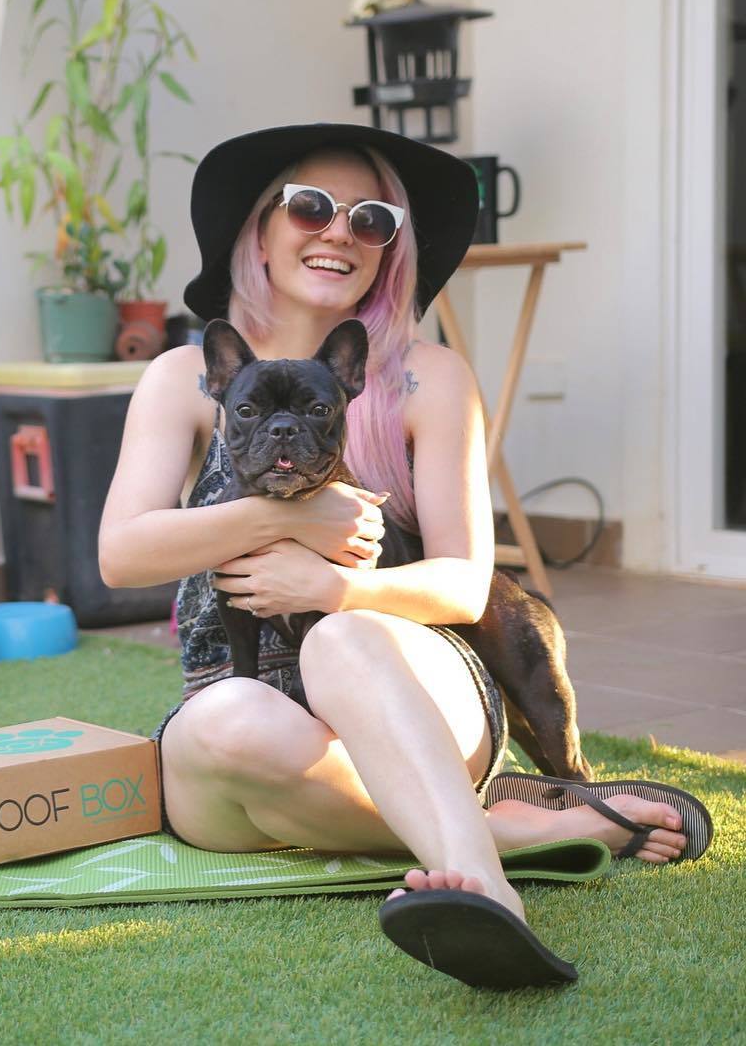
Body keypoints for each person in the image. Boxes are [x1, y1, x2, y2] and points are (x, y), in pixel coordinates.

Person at [98, 124, 709, 989]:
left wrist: (333, 585)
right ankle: (532, 828)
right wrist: (300, 517)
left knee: (341, 636)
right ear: (258, 229)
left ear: (391, 249)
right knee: (229, 715)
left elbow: (465, 583)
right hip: (255, 737)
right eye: (311, 207)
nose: (339, 231)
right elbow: (121, 555)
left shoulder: (430, 378)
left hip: (410, 691)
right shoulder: (184, 377)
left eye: (371, 219)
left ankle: (484, 888)